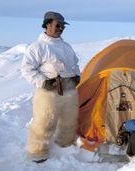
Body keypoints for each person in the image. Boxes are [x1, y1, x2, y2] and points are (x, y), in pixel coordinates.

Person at [21, 11, 80, 163]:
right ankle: (37, 152)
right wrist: (44, 82)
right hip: (48, 92)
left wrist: (76, 76)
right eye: (58, 25)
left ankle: (65, 144)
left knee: (69, 120)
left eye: (63, 26)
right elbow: (27, 69)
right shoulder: (37, 47)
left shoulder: (67, 47)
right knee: (44, 122)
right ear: (47, 24)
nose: (61, 28)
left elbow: (75, 64)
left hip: (69, 90)